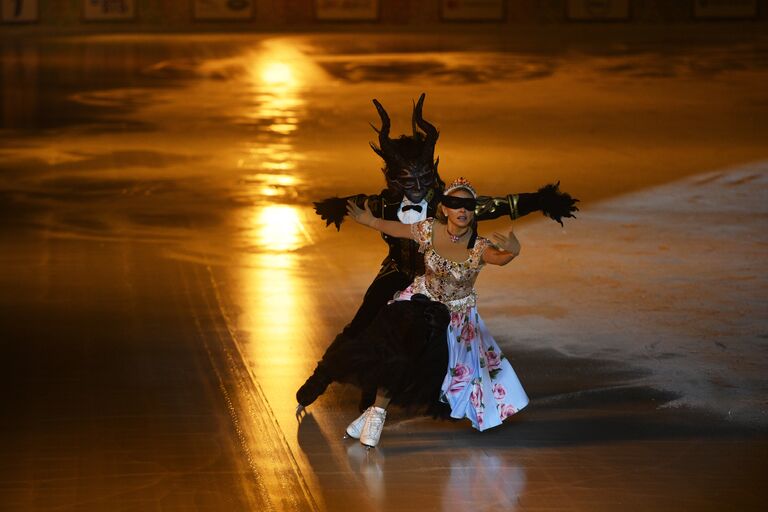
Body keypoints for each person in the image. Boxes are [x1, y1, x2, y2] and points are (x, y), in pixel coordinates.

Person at [297, 94, 578, 412]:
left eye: (423, 179)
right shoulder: (383, 204)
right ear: (393, 179)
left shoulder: (447, 205)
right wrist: (335, 206)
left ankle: (429, 395)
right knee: (362, 326)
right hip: (395, 272)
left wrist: (540, 200)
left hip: (433, 281)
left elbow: (496, 204)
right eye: (408, 180)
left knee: (432, 340)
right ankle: (322, 377)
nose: (417, 186)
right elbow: (354, 204)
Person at [303, 177, 531, 449]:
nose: (463, 211)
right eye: (455, 204)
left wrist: (512, 253)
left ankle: (371, 414)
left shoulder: (478, 247)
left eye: (468, 206)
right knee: (398, 349)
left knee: (429, 373)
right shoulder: (427, 230)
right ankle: (376, 414)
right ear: (444, 209)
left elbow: (498, 257)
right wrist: (369, 221)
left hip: (452, 319)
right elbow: (397, 229)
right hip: (418, 301)